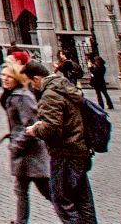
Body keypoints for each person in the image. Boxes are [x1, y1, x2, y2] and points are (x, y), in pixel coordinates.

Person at [28, 60, 99, 224]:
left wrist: (35, 130)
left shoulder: (50, 95)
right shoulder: (65, 87)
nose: (32, 88)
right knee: (83, 201)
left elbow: (52, 129)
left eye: (31, 83)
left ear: (36, 78)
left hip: (64, 153)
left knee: (63, 201)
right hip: (80, 149)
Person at [0, 63, 53, 224]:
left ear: (17, 78)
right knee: (21, 190)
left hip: (30, 152)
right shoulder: (14, 95)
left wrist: (17, 145)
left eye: (9, 76)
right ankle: (20, 222)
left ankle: (72, 216)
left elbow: (31, 125)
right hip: (23, 153)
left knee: (47, 190)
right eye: (3, 75)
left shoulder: (22, 97)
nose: (5, 79)